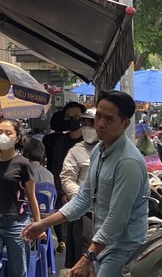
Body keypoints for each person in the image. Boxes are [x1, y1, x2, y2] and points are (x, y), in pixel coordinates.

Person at [23, 90, 150, 277]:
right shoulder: (100, 149)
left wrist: (87, 257)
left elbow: (116, 220)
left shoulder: (128, 162)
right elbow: (83, 198)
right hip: (103, 245)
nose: (100, 123)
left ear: (124, 124)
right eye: (98, 115)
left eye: (109, 118)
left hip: (122, 249)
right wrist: (44, 224)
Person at [0, 118, 44, 277]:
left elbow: (31, 196)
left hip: (18, 223)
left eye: (8, 133)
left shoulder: (23, 164)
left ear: (17, 138)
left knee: (18, 271)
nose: (3, 136)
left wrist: (38, 224)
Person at [60, 108, 99, 268]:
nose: (88, 127)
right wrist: (81, 195)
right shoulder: (76, 151)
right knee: (84, 254)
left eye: (92, 123)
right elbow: (67, 178)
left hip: (109, 211)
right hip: (85, 213)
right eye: (85, 123)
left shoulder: (111, 149)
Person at [51, 101, 87, 252]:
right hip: (64, 195)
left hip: (85, 199)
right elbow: (56, 168)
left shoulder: (90, 142)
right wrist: (62, 193)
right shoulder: (60, 142)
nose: (72, 120)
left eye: (76, 117)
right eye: (69, 117)